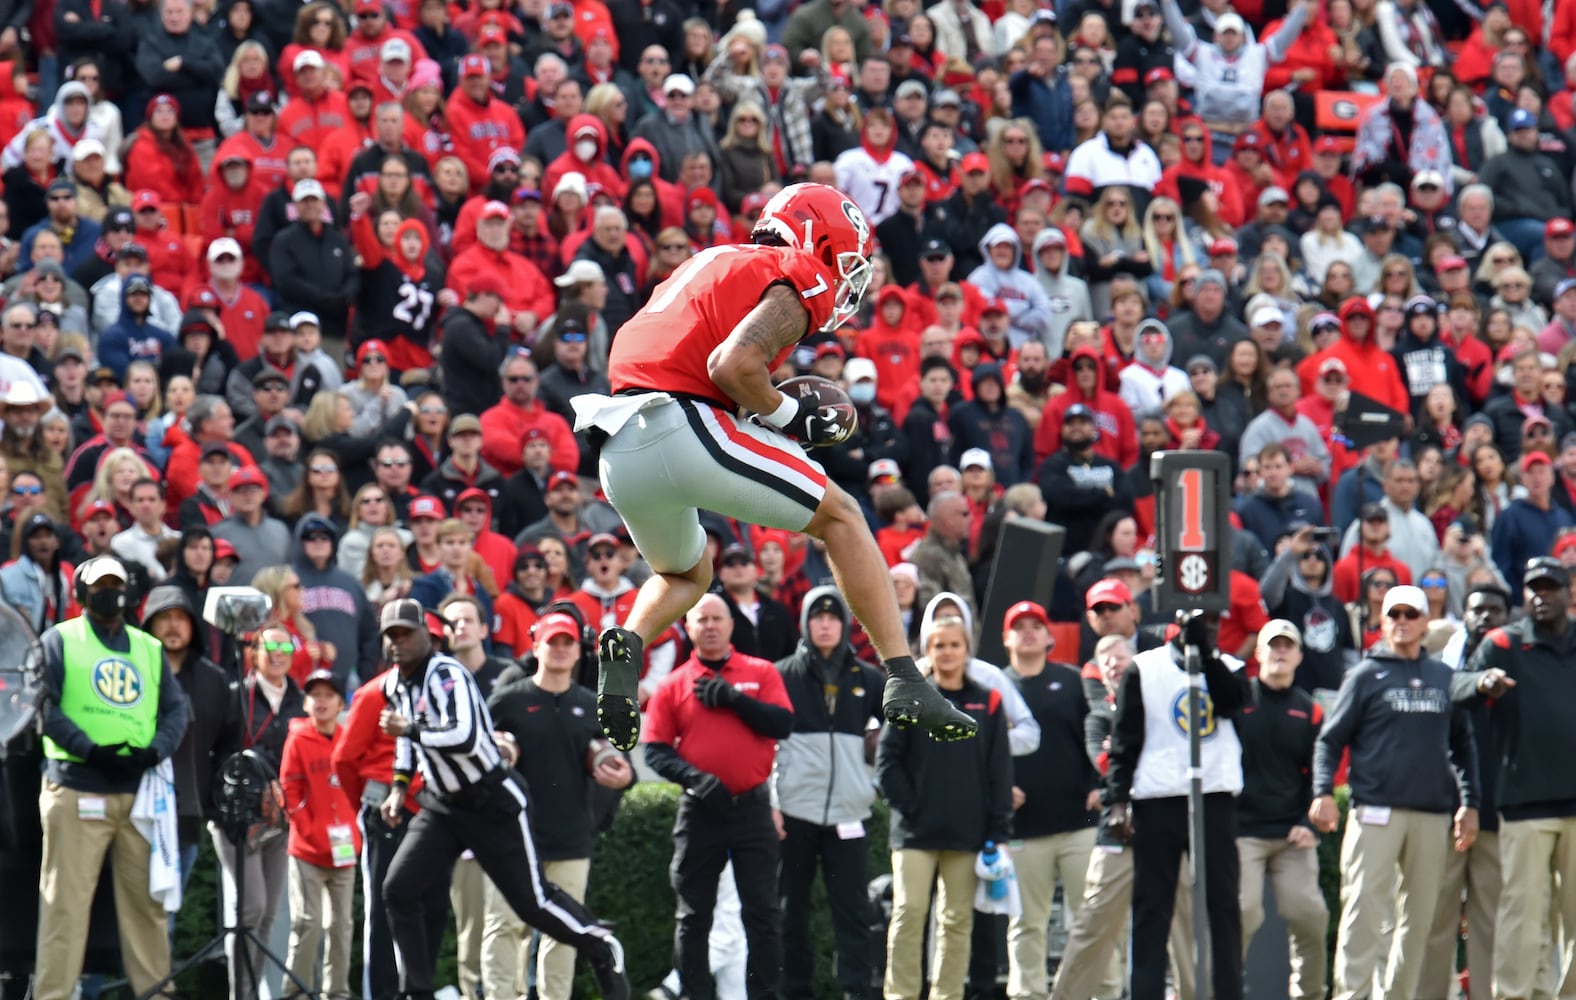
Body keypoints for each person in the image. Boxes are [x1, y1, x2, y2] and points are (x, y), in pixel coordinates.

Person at [572, 182, 977, 752]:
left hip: (619, 444)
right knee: (842, 515)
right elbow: (734, 364)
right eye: (846, 261)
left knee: (688, 574)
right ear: (819, 240)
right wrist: (787, 414)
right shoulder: (795, 269)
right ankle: (905, 677)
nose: (846, 279)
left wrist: (755, 409)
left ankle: (629, 640)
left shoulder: (706, 262)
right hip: (683, 424)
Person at [376, 598, 632, 1000]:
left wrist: (409, 728)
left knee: (531, 903)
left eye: (406, 633)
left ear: (427, 635)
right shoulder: (392, 683)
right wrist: (398, 785)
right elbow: (406, 743)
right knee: (398, 889)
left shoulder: (448, 675)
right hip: (443, 804)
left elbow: (464, 737)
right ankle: (417, 992)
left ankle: (600, 944)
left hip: (490, 798)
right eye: (391, 635)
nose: (398, 642)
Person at [1311, 584, 1479, 1000]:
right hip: (1375, 810)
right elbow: (1330, 739)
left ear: (1425, 623)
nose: (1402, 621)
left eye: (1410, 614)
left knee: (1419, 919)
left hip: (1432, 813)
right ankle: (1352, 996)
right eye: (1394, 614)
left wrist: (1470, 803)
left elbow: (1463, 745)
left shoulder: (1443, 676)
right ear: (1383, 622)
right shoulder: (1364, 675)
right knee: (1363, 912)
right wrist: (1322, 792)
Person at [33, 556, 189, 1000]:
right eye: (100, 585)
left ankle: (155, 994)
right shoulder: (59, 640)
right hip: (76, 786)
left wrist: (156, 750)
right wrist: (88, 750)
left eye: (115, 585)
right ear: (82, 593)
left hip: (138, 792)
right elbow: (43, 706)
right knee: (64, 907)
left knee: (148, 909)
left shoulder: (149, 648)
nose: (109, 593)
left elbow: (177, 710)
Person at [487, 610, 635, 1000]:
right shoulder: (506, 701)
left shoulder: (591, 704)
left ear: (578, 651)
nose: (560, 649)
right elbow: (479, 754)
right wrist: (500, 754)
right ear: (536, 646)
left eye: (568, 642)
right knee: (504, 926)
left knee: (566, 933)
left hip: (571, 837)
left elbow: (620, 763)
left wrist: (622, 776)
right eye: (552, 641)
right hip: (512, 837)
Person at [1450, 560, 1576, 1000]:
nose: (1542, 596)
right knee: (1522, 916)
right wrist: (1483, 681)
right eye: (1533, 588)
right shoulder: (1504, 642)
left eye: (1550, 587)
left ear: (1569, 592)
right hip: (1524, 801)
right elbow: (1456, 686)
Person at [1108, 612, 1249, 1000]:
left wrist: (1207, 657)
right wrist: (1117, 800)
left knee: (1224, 907)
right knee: (1152, 909)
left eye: (1215, 623)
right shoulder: (1143, 669)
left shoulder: (1231, 667)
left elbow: (1231, 703)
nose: (1210, 630)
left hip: (1215, 798)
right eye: (1200, 624)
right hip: (1158, 800)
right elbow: (1124, 741)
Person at [877, 611, 1013, 1000]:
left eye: (955, 644)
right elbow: (887, 763)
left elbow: (999, 771)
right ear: (927, 650)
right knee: (908, 914)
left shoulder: (989, 700)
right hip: (914, 832)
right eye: (939, 645)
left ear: (967, 648)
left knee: (956, 921)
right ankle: (901, 996)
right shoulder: (911, 698)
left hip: (967, 833)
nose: (948, 652)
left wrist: (997, 829)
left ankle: (947, 995)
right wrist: (911, 807)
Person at [773, 586, 886, 1000]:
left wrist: (875, 780)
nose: (825, 625)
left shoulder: (867, 677)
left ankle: (857, 992)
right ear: (805, 623)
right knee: (789, 911)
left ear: (845, 624)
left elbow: (898, 733)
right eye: (817, 617)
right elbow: (765, 743)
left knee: (853, 912)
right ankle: (794, 992)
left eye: (833, 617)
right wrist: (772, 802)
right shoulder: (781, 675)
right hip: (794, 812)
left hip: (849, 813)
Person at [1001, 600, 1100, 1000]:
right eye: (1019, 626)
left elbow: (1096, 734)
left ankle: (1104, 993)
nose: (1027, 632)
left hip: (1080, 824)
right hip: (1023, 828)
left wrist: (1099, 784)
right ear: (1005, 638)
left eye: (1035, 625)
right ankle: (1027, 995)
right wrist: (998, 788)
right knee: (1026, 923)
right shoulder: (994, 687)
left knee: (1093, 921)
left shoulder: (1072, 681)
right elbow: (982, 751)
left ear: (1049, 637)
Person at [1422, 583, 1510, 1000]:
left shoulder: (1521, 668)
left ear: (1508, 618)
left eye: (1495, 610)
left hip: (1496, 814)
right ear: (1464, 616)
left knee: (1489, 920)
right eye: (1477, 609)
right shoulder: (1440, 670)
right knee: (1435, 917)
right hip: (1445, 811)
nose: (1485, 617)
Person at [1235, 621, 1328, 1000]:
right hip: (1241, 831)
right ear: (1258, 653)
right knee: (1242, 911)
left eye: (1288, 645)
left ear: (1300, 656)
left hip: (1293, 833)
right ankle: (1222, 990)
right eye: (1273, 645)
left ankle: (1309, 995)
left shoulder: (1310, 710)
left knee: (1310, 914)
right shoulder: (1237, 700)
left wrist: (1309, 823)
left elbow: (1320, 774)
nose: (1281, 651)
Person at [280, 669, 359, 1000]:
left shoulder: (349, 738)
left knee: (341, 925)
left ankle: (336, 993)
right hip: (308, 850)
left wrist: (356, 830)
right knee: (307, 922)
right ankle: (296, 993)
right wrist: (309, 830)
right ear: (305, 703)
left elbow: (359, 786)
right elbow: (289, 790)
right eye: (315, 695)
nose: (321, 701)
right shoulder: (298, 739)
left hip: (345, 849)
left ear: (341, 703)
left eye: (329, 695)